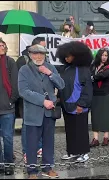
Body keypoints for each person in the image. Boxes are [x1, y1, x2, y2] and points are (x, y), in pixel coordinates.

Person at [18, 44, 65, 179]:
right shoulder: (24, 70)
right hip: (33, 113)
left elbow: (61, 85)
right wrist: (42, 101)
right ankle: (32, 171)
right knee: (31, 143)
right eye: (35, 54)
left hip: (49, 114)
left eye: (41, 54)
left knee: (49, 141)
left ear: (45, 55)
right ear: (30, 55)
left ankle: (47, 167)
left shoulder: (50, 68)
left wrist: (50, 74)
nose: (38, 57)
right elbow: (23, 91)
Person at [57, 41, 93, 162]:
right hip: (67, 105)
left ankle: (84, 153)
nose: (67, 57)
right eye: (65, 55)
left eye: (69, 55)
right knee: (70, 130)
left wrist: (81, 104)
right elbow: (62, 85)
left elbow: (87, 89)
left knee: (81, 130)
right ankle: (72, 151)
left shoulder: (83, 69)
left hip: (79, 106)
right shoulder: (65, 69)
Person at [16, 37, 46, 163]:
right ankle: (26, 151)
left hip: (41, 99)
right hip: (28, 99)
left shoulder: (44, 60)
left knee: (40, 123)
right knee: (27, 125)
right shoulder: (22, 60)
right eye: (42, 47)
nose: (44, 51)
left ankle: (39, 147)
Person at [89, 48, 109, 147]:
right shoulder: (93, 66)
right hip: (95, 94)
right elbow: (89, 74)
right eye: (102, 55)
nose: (104, 57)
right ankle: (95, 138)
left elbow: (104, 75)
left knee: (106, 116)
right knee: (95, 116)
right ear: (99, 56)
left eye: (106, 55)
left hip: (106, 94)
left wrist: (92, 78)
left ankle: (106, 137)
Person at [0, 39, 19, 175]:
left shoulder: (10, 62)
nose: (1, 47)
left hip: (7, 107)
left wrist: (11, 101)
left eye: (2, 45)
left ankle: (8, 164)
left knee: (7, 137)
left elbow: (15, 84)